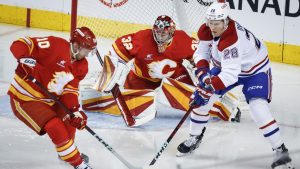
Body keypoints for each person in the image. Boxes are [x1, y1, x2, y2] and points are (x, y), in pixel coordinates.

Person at [176, 2, 294, 169]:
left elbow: (230, 75)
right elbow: (201, 52)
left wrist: (207, 88)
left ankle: (281, 152)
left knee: (258, 109)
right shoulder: (206, 29)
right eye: (210, 22)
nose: (212, 27)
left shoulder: (231, 38)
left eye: (216, 23)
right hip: (227, 67)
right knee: (201, 102)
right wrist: (203, 74)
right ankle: (195, 137)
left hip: (255, 71)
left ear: (226, 21)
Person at [89, 15, 240, 123]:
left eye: (164, 33)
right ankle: (95, 101)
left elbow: (202, 58)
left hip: (176, 76)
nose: (160, 36)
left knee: (195, 98)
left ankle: (223, 107)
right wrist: (110, 74)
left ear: (172, 32)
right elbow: (116, 52)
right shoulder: (141, 39)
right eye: (158, 32)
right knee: (133, 103)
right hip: (141, 78)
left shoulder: (184, 40)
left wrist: (202, 72)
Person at [7, 27, 97, 169]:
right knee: (54, 125)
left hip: (49, 100)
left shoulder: (82, 66)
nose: (87, 54)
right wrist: (24, 57)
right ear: (75, 45)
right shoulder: (55, 45)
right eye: (86, 50)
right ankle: (79, 164)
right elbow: (20, 43)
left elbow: (69, 90)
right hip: (25, 98)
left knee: (70, 118)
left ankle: (67, 153)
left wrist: (75, 111)